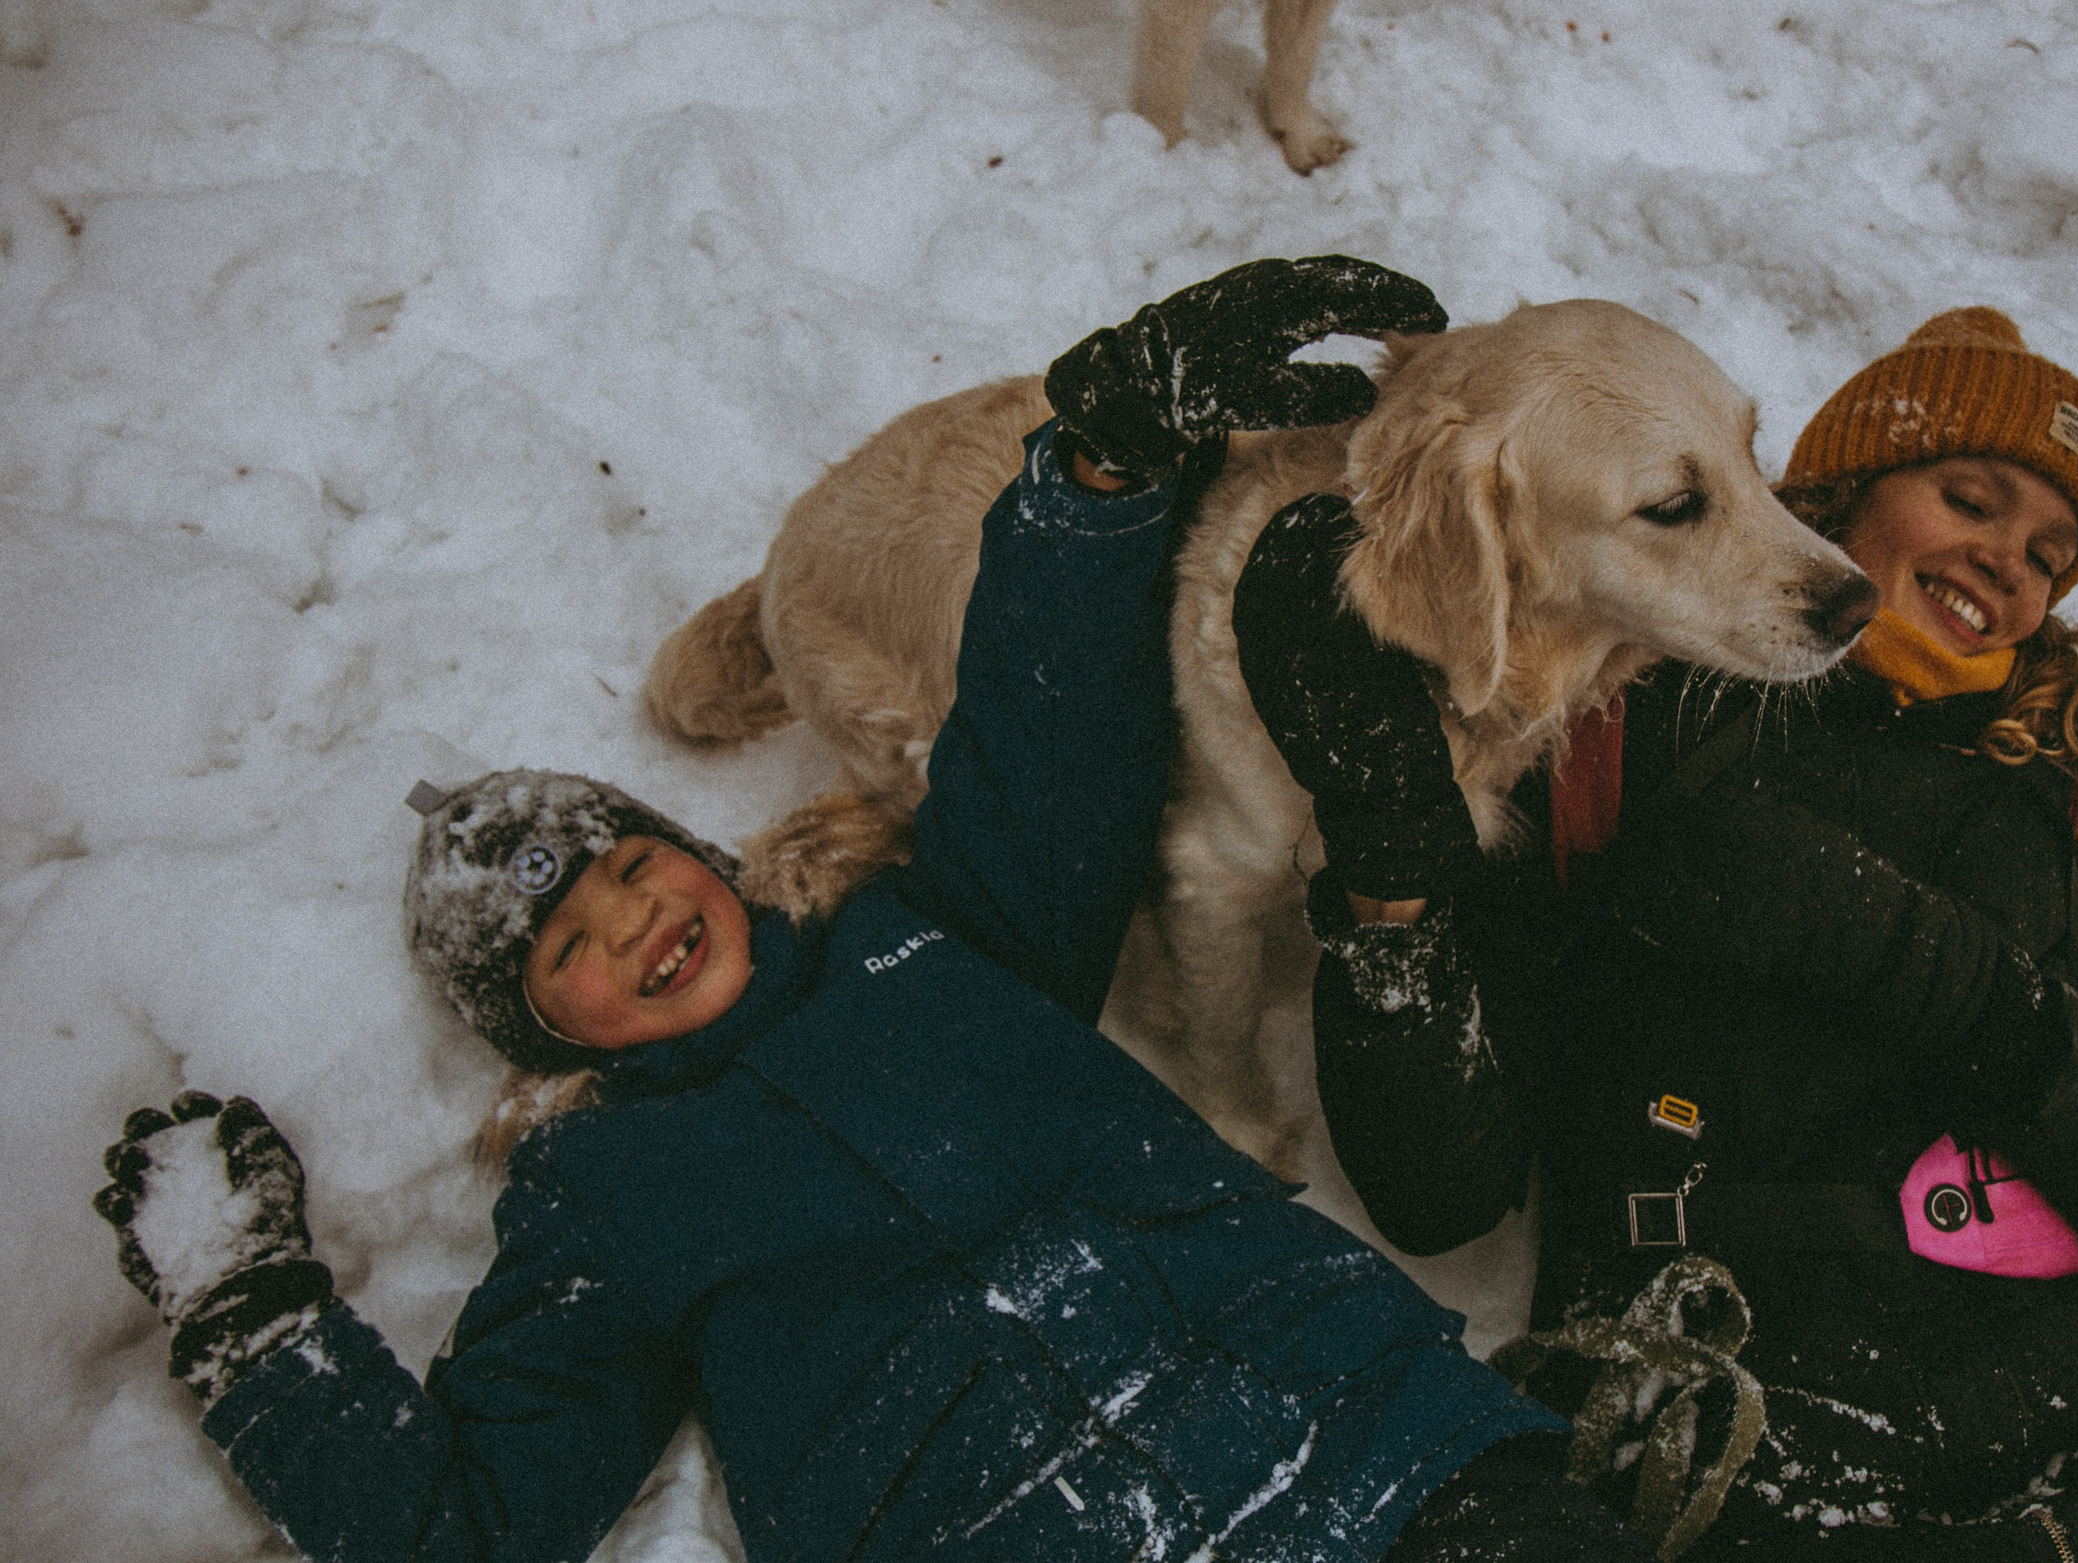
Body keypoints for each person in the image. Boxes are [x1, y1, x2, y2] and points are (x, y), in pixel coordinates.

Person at [89, 259, 1663, 1563]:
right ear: (544, 1034)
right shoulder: (601, 1201)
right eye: (567, 948)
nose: (628, 921)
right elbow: (472, 1523)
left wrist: (1100, 465)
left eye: (631, 865)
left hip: (1378, 1445)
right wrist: (248, 1306)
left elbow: (1045, 729)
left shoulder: (932, 937)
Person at [1232, 308, 2078, 1560]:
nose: (2006, 561)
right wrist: (1391, 888)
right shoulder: (1620, 716)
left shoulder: (2063, 809)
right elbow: (1435, 1189)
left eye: (2048, 556)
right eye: (1969, 501)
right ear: (1842, 489)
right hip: (1762, 1440)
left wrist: (1908, 955)